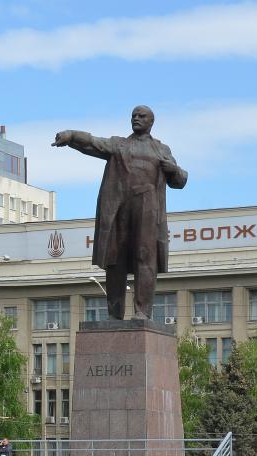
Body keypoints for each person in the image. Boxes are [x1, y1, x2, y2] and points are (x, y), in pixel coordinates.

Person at [53, 105, 188, 320]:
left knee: (145, 258)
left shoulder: (162, 150)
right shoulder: (119, 144)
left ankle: (142, 312)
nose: (136, 119)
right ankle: (114, 315)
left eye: (141, 116)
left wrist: (175, 171)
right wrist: (70, 136)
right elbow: (92, 143)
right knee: (115, 261)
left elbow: (179, 181)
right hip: (119, 208)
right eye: (133, 116)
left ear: (151, 122)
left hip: (148, 206)